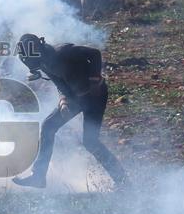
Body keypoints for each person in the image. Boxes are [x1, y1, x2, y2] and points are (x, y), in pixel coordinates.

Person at [13, 34, 126, 188]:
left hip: (95, 96)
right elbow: (60, 85)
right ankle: (38, 176)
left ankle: (122, 181)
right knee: (48, 127)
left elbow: (94, 53)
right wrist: (64, 101)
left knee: (90, 142)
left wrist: (94, 81)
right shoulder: (44, 63)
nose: (35, 65)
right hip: (75, 99)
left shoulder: (62, 51)